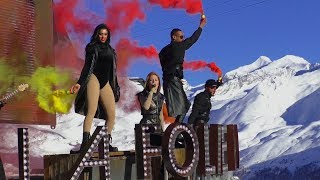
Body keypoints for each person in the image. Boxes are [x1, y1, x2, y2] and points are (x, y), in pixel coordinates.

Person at [70, 23, 120, 153]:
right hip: (93, 78)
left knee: (112, 114)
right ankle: (85, 144)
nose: (103, 36)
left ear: (108, 35)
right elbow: (87, 66)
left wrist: (116, 86)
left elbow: (113, 71)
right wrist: (79, 83)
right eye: (100, 34)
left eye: (105, 34)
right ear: (97, 34)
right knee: (91, 110)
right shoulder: (92, 48)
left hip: (106, 81)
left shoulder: (111, 50)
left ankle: (106, 143)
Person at [159, 15, 207, 123]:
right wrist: (201, 26)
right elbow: (192, 39)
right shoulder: (178, 46)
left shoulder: (163, 51)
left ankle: (177, 128)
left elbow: (163, 64)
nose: (183, 39)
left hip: (170, 79)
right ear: (173, 37)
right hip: (173, 80)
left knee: (185, 105)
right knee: (184, 106)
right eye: (181, 37)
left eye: (183, 37)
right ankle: (176, 129)